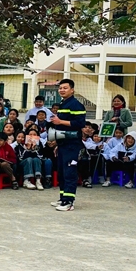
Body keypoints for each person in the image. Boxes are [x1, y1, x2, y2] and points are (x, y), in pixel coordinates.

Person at [50, 79, 87, 211]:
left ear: (72, 90)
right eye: (60, 88)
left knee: (70, 172)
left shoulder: (76, 105)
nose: (62, 90)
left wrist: (60, 121)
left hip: (72, 144)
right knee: (62, 172)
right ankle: (62, 198)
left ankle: (69, 202)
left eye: (65, 88)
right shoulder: (63, 103)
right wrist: (57, 145)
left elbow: (80, 124)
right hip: (63, 144)